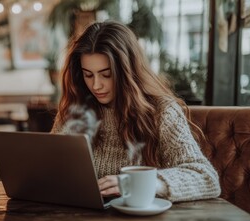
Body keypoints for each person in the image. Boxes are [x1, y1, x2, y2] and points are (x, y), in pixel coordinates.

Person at [50, 21, 221, 203]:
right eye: (88, 74)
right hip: (80, 220)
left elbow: (206, 178)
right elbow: (48, 166)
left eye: (106, 74)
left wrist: (146, 184)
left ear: (127, 72)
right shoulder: (75, 110)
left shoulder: (162, 112)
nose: (96, 85)